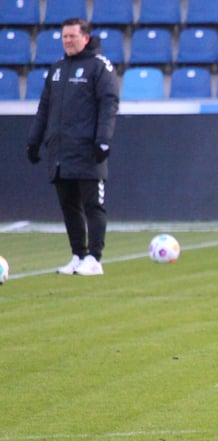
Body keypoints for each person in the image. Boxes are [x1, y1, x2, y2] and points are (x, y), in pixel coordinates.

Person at [27, 18, 119, 276]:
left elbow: (108, 104)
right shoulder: (57, 69)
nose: (67, 41)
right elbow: (45, 108)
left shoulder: (100, 67)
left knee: (93, 205)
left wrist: (103, 140)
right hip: (60, 152)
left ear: (86, 38)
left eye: (72, 36)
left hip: (87, 150)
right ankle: (78, 255)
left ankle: (95, 258)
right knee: (69, 207)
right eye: (64, 37)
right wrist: (35, 140)